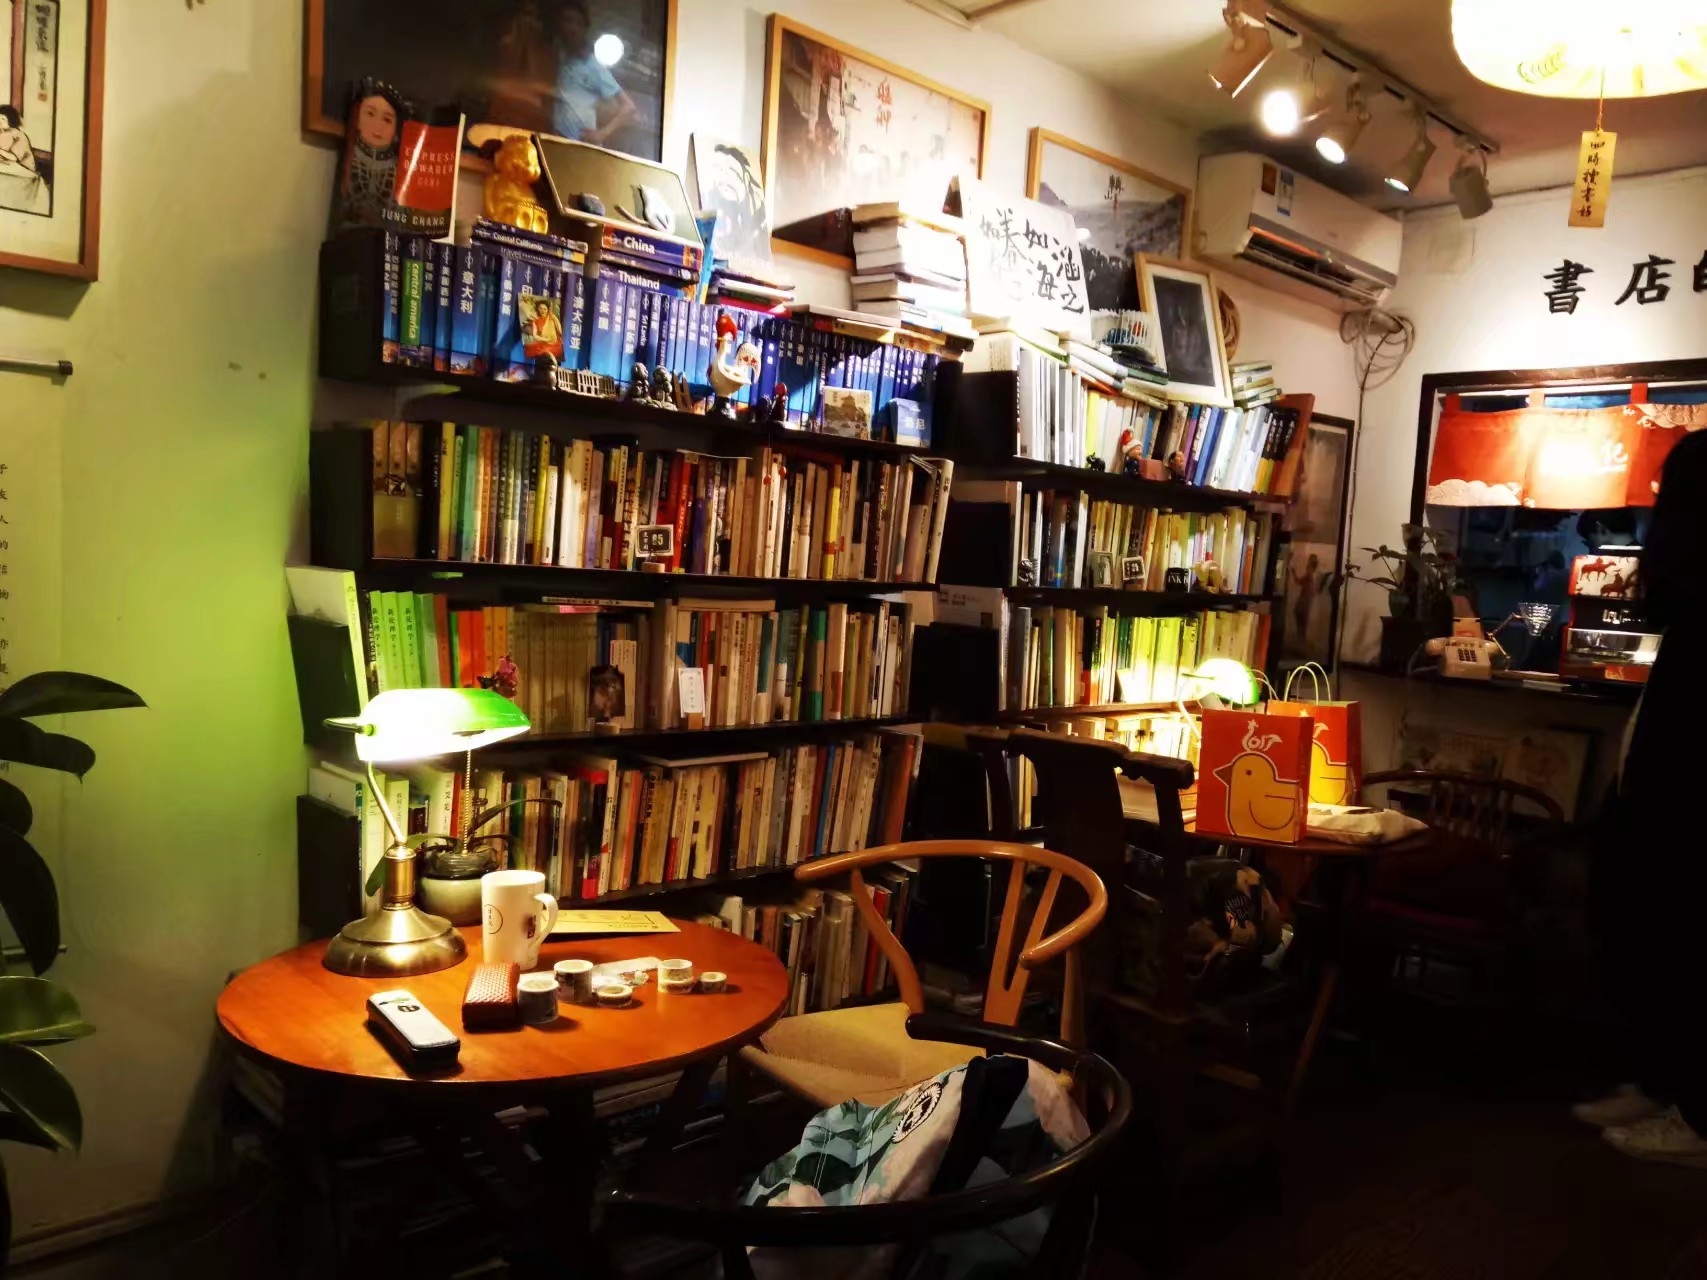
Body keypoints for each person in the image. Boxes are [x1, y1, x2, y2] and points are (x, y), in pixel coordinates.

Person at [1577, 427, 1707, 1166]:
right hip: (1654, 791)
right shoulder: (1687, 614)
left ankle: (1695, 1115)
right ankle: (1661, 1086)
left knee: (1677, 943)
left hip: (1681, 805)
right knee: (1646, 938)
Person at [550, 1, 637, 147]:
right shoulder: (556, 57)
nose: (572, 28)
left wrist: (602, 134)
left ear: (584, 29)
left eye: (578, 23)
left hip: (582, 146)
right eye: (568, 21)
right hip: (558, 141)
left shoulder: (592, 66)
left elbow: (629, 107)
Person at [0, 106, 38, 173]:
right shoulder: (3, 132)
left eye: (3, 119)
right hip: (9, 166)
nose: (0, 121)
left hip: (24, 170)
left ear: (11, 119)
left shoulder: (19, 135)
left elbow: (14, 158)